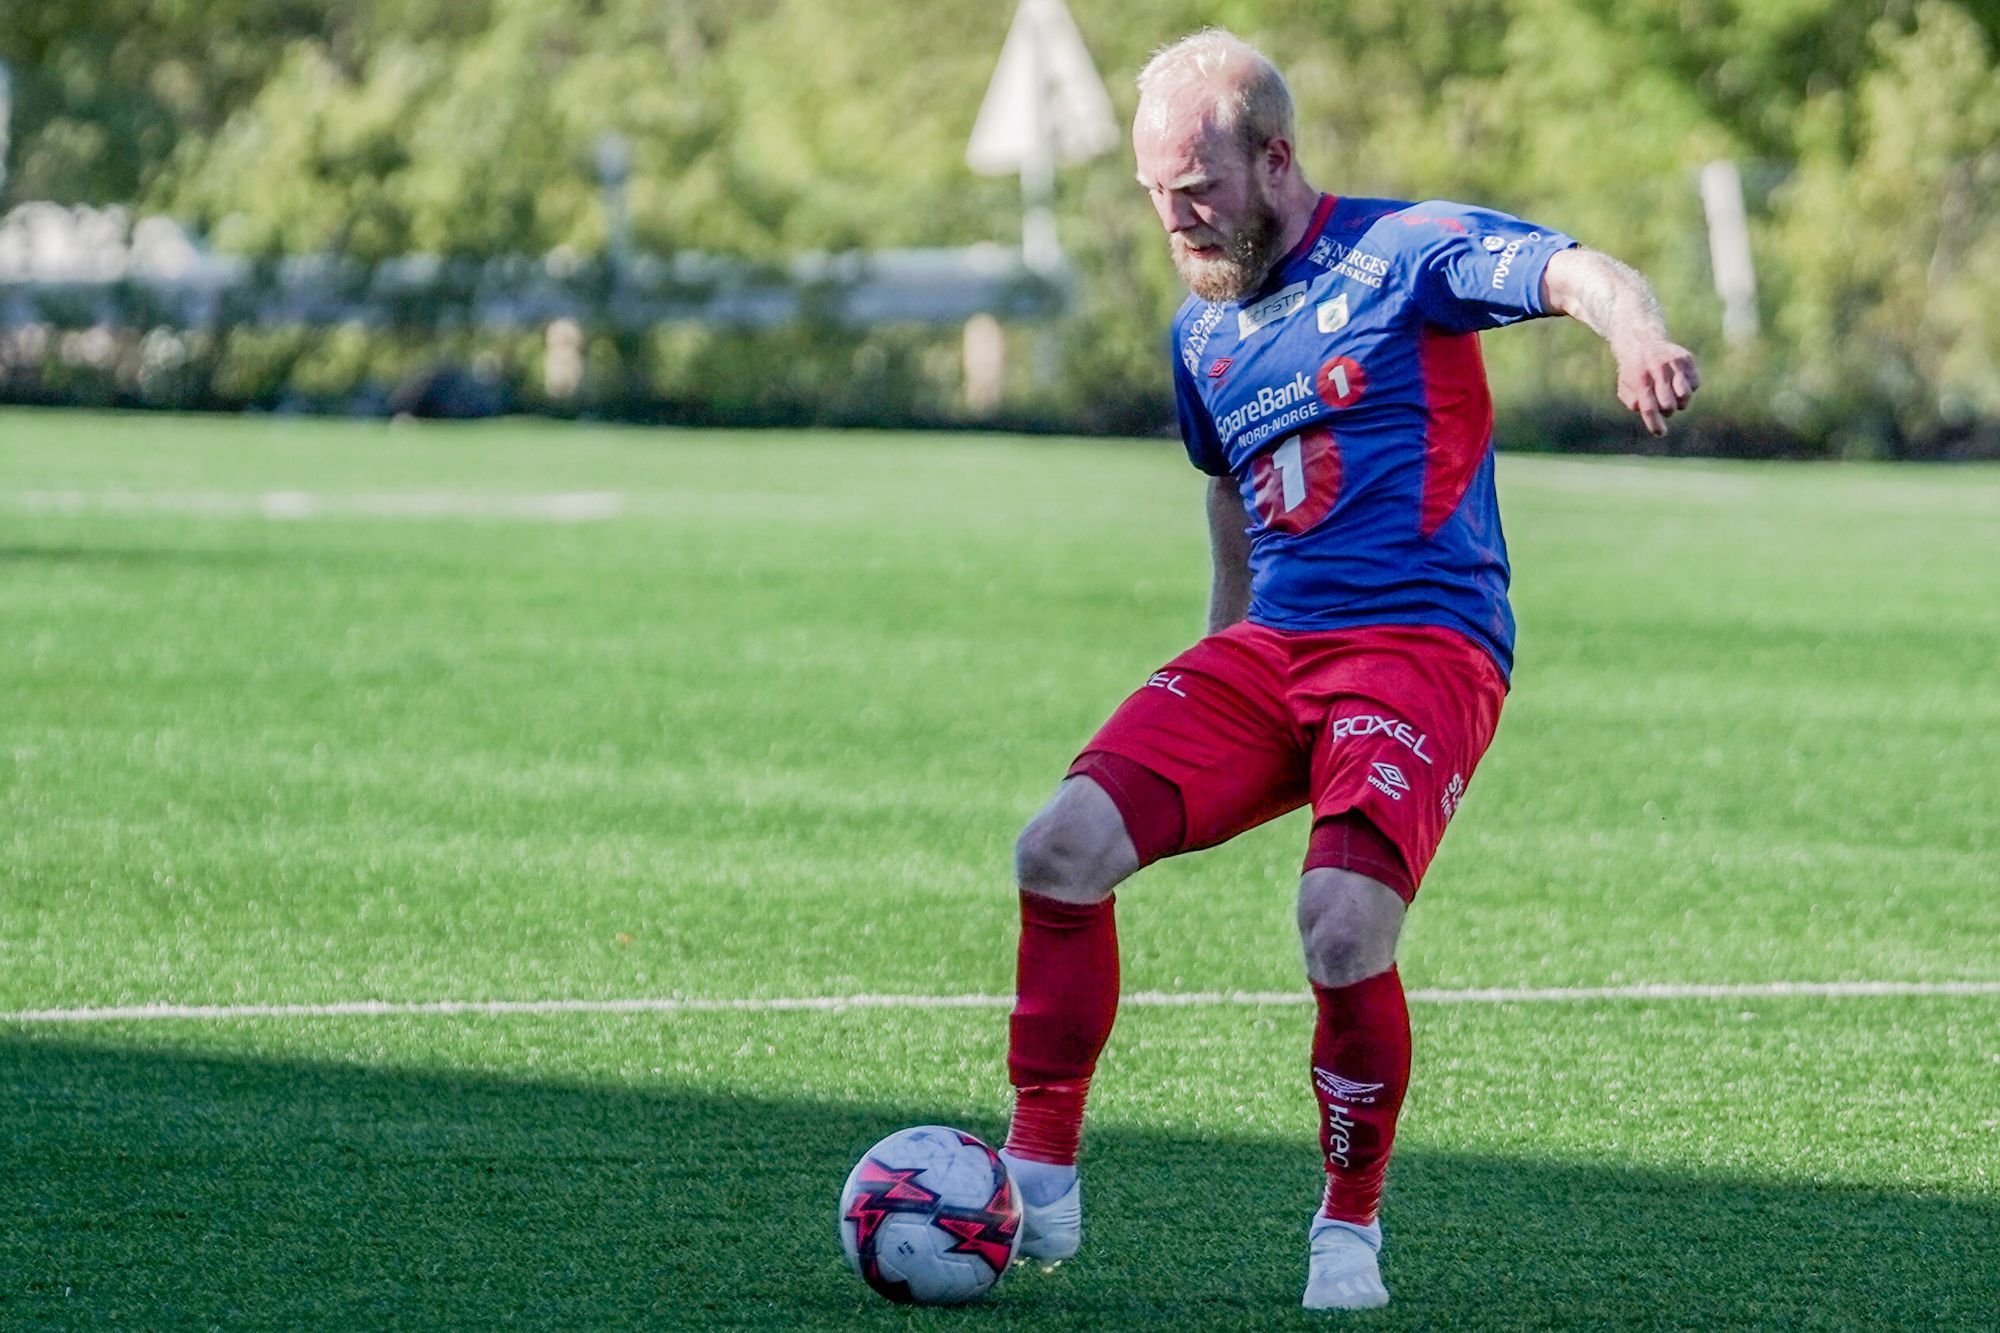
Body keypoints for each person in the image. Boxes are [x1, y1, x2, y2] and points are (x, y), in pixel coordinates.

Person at [993, 27, 1701, 1313]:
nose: (1174, 218)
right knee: (1057, 848)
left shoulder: (1404, 252)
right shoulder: (1200, 334)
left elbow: (1577, 271)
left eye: (1195, 189)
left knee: (1338, 923)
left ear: (1274, 159)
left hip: (1421, 646)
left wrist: (1634, 335)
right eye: (1155, 195)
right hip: (1272, 650)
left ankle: (1347, 1224)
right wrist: (1214, 647)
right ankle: (1036, 1171)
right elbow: (1228, 494)